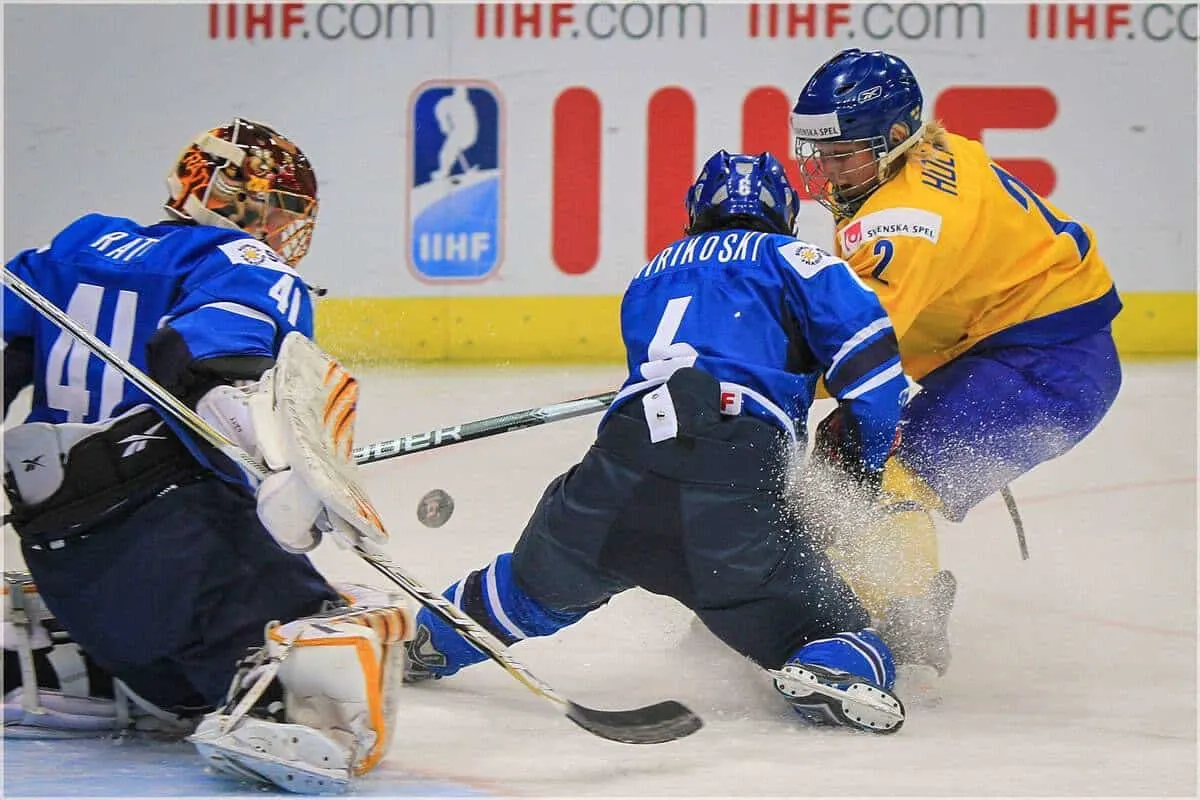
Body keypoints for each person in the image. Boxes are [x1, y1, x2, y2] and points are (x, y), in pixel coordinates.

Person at [403, 150, 913, 734]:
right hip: (728, 487)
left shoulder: (653, 273)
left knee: (528, 587)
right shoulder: (800, 261)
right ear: (785, 215)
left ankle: (418, 639)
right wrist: (865, 467)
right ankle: (826, 667)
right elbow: (872, 374)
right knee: (840, 631)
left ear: (696, 211)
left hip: (617, 471)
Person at [2, 118, 411, 793]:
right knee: (340, 647)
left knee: (180, 636)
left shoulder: (73, 244)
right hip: (184, 549)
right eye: (281, 211)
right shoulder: (241, 262)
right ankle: (264, 698)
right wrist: (280, 464)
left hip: (64, 559)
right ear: (237, 199)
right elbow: (207, 365)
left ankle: (81, 665)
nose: (283, 230)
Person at [788, 49, 1123, 679]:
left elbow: (858, 359)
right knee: (846, 451)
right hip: (1023, 350)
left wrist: (741, 376)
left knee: (891, 469)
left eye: (841, 154)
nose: (826, 171)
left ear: (892, 139)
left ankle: (903, 624)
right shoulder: (928, 153)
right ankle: (821, 589)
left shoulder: (903, 224)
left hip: (1046, 369)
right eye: (820, 153)